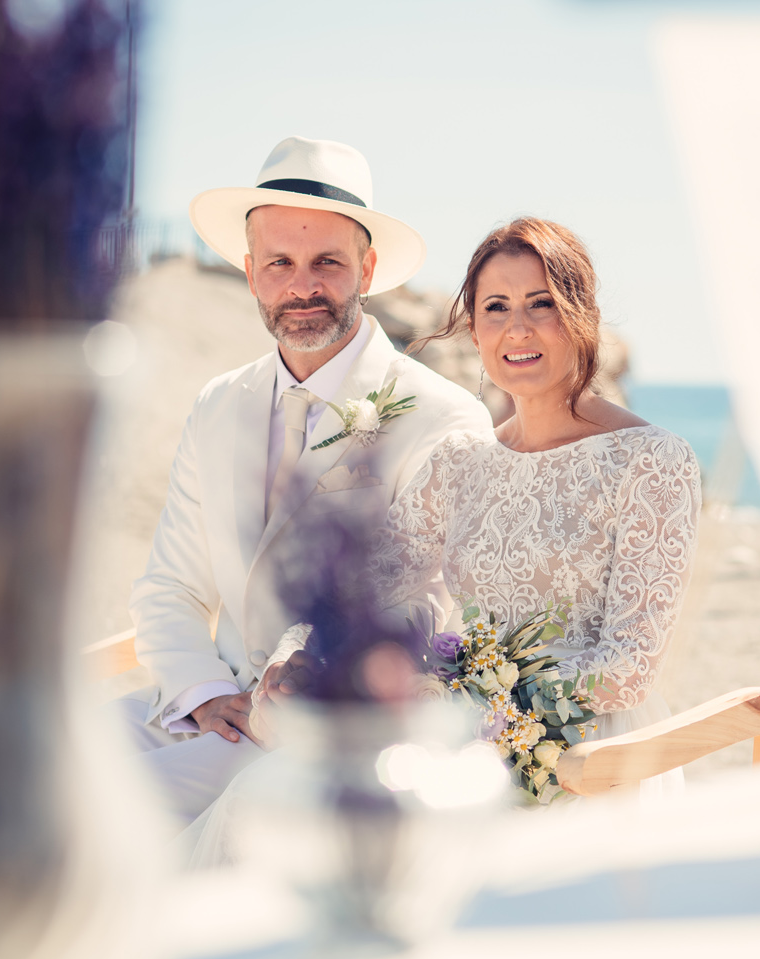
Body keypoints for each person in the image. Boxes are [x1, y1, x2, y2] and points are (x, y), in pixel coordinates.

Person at [181, 218, 702, 865]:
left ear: (581, 315)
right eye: (496, 308)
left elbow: (630, 666)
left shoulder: (651, 461)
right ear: (474, 330)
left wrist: (461, 700)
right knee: (263, 801)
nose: (517, 329)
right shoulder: (461, 461)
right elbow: (367, 589)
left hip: (590, 751)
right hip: (464, 734)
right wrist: (300, 654)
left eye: (541, 303)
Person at [113, 137, 494, 823]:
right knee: (36, 761)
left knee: (99, 808)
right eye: (280, 263)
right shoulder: (217, 403)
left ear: (367, 269)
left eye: (327, 262)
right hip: (204, 703)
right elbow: (171, 587)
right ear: (250, 271)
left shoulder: (442, 416)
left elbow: (426, 606)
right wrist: (203, 692)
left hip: (329, 732)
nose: (302, 286)